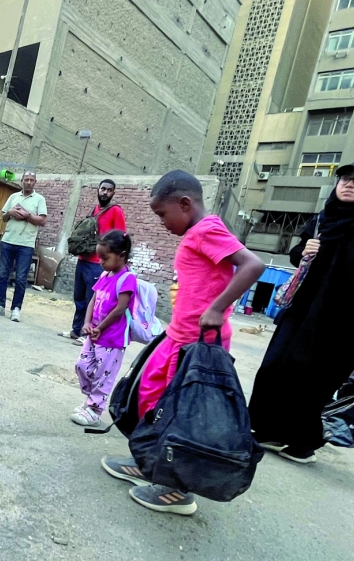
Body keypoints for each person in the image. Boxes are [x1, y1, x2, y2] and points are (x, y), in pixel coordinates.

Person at [101, 170, 263, 516]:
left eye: (162, 214)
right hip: (178, 335)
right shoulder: (197, 232)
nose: (161, 222)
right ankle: (151, 461)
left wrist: (218, 308)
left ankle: (177, 490)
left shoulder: (207, 230)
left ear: (185, 204)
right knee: (148, 397)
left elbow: (253, 264)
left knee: (181, 413)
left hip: (198, 343)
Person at [249, 159, 354, 464]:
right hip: (302, 312)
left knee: (318, 381)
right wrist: (303, 251)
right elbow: (298, 255)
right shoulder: (325, 219)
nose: (348, 184)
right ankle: (265, 429)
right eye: (344, 178)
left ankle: (302, 443)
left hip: (346, 323)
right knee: (276, 368)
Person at [71, 230, 137, 432]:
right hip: (94, 334)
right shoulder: (104, 275)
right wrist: (88, 322)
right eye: (99, 257)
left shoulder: (127, 279)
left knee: (103, 374)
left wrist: (100, 328)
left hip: (112, 339)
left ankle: (95, 411)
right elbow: (93, 299)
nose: (100, 261)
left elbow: (120, 309)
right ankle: (90, 401)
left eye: (105, 258)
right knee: (83, 365)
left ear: (122, 255)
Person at [64, 180, 127, 342]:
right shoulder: (94, 210)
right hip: (83, 258)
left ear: (113, 193)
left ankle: (87, 334)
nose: (105, 193)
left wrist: (115, 264)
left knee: (92, 299)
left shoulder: (116, 211)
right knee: (79, 297)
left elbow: (120, 237)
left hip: (97, 263)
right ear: (98, 190)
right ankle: (76, 330)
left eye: (109, 190)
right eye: (103, 189)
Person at [0, 171, 47, 323]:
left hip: (26, 244)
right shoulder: (14, 197)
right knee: (2, 275)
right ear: (22, 181)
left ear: (35, 182)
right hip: (8, 241)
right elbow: (4, 217)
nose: (28, 182)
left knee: (20, 278)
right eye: (26, 179)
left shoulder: (39, 199)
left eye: (31, 180)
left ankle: (16, 309)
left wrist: (27, 215)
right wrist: (11, 212)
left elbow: (42, 221)